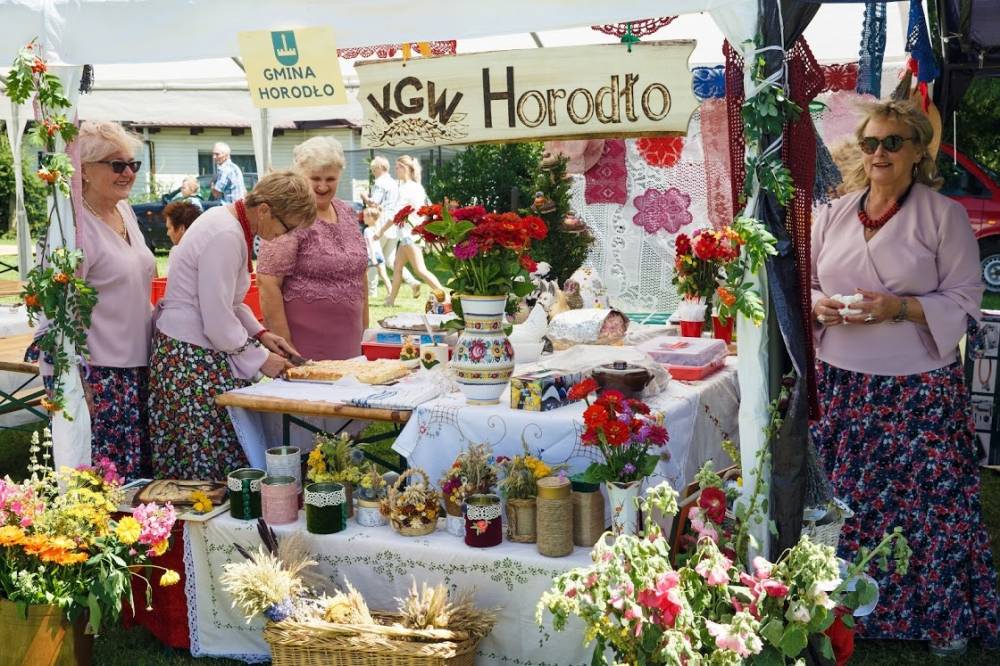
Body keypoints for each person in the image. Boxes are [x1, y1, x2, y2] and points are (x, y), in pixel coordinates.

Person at [809, 99, 1000, 654]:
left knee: (929, 506)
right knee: (845, 502)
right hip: (843, 384)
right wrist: (819, 305)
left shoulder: (945, 216)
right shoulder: (834, 213)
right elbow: (809, 283)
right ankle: (841, 612)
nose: (880, 153)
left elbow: (965, 297)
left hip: (916, 389)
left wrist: (899, 309)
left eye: (893, 142)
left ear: (919, 151)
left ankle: (943, 617)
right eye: (871, 143)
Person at [148, 171, 315, 480]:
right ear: (264, 210)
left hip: (192, 352)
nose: (285, 235)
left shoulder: (228, 224)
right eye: (286, 226)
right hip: (191, 359)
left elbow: (230, 303)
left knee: (215, 450)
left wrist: (261, 334)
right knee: (208, 458)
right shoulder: (225, 235)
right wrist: (261, 358)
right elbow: (217, 319)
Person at [34, 121, 157, 481]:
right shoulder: (71, 229)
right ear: (84, 170)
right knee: (103, 481)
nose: (128, 173)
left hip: (137, 367)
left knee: (138, 480)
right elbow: (54, 311)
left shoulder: (125, 211)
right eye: (117, 165)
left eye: (133, 164)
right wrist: (72, 381)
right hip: (99, 374)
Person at [257, 136, 368, 361]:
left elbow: (361, 274)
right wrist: (286, 348)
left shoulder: (346, 212)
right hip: (304, 343)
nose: (323, 186)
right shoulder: (289, 216)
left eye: (330, 179)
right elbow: (267, 283)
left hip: (351, 338)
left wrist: (367, 334)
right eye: (315, 178)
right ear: (299, 176)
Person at [377, 155, 446, 306]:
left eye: (397, 167)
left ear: (404, 168)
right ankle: (390, 300)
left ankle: (444, 297)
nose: (395, 170)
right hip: (409, 235)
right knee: (397, 267)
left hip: (410, 236)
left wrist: (380, 231)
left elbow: (396, 215)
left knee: (420, 270)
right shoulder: (416, 187)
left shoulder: (407, 188)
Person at [362, 156, 420, 297]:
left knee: (372, 255)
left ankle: (372, 292)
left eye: (373, 169)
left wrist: (364, 196)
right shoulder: (394, 183)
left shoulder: (380, 183)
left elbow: (374, 203)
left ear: (379, 168)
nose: (373, 172)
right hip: (393, 225)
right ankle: (412, 281)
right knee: (390, 259)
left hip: (381, 224)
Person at [362, 205, 392, 296]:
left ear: (371, 218)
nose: (363, 218)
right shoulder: (377, 228)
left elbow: (370, 245)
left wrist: (373, 258)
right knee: (384, 275)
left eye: (365, 216)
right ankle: (391, 293)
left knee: (362, 276)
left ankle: (359, 293)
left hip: (371, 256)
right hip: (379, 254)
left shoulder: (367, 230)